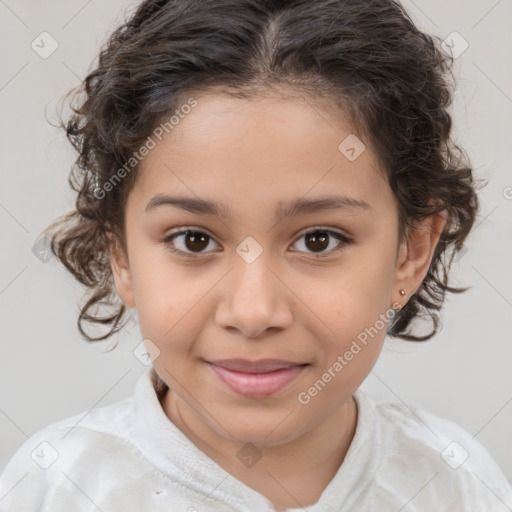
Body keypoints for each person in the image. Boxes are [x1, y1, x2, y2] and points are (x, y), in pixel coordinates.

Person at [1, 0, 511, 510]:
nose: (253, 313)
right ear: (123, 256)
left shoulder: (456, 485)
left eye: (318, 240)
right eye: (193, 240)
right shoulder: (53, 489)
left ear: (410, 253)